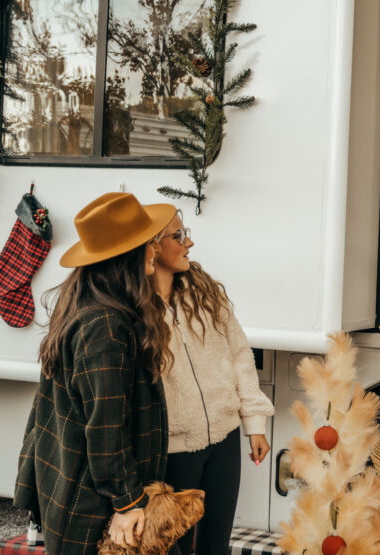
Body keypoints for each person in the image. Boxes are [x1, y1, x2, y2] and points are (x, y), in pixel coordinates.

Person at [13, 192, 177, 554]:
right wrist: (127, 502)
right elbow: (106, 429)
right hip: (91, 504)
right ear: (128, 254)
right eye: (148, 242)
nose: (155, 249)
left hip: (81, 488)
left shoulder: (90, 305)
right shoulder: (105, 326)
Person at [153, 211, 275, 555]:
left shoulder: (204, 293)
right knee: (171, 545)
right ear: (152, 247)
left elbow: (239, 354)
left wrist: (254, 423)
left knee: (216, 544)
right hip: (173, 449)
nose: (188, 242)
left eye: (185, 233)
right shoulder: (135, 308)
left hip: (224, 438)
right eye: (177, 236)